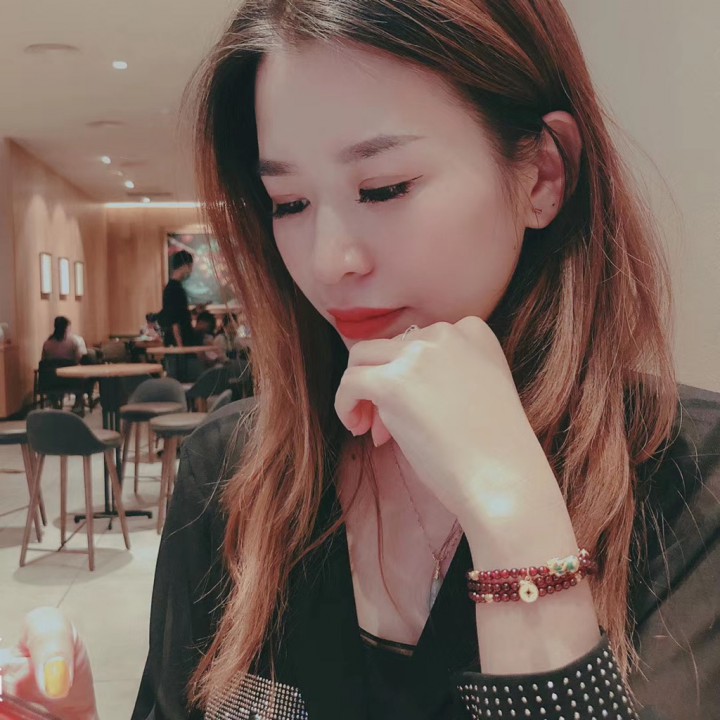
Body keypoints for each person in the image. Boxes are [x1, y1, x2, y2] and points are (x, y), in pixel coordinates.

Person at [5, 2, 719, 719]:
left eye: (384, 189)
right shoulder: (230, 470)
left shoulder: (693, 481)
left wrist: (517, 529)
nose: (328, 262)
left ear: (542, 174)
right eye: (289, 202)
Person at [160, 250, 194, 347]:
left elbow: (178, 313)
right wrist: (180, 345)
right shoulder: (174, 289)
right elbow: (174, 320)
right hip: (178, 342)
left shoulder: (173, 287)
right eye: (190, 267)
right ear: (185, 266)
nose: (191, 271)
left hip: (178, 341)